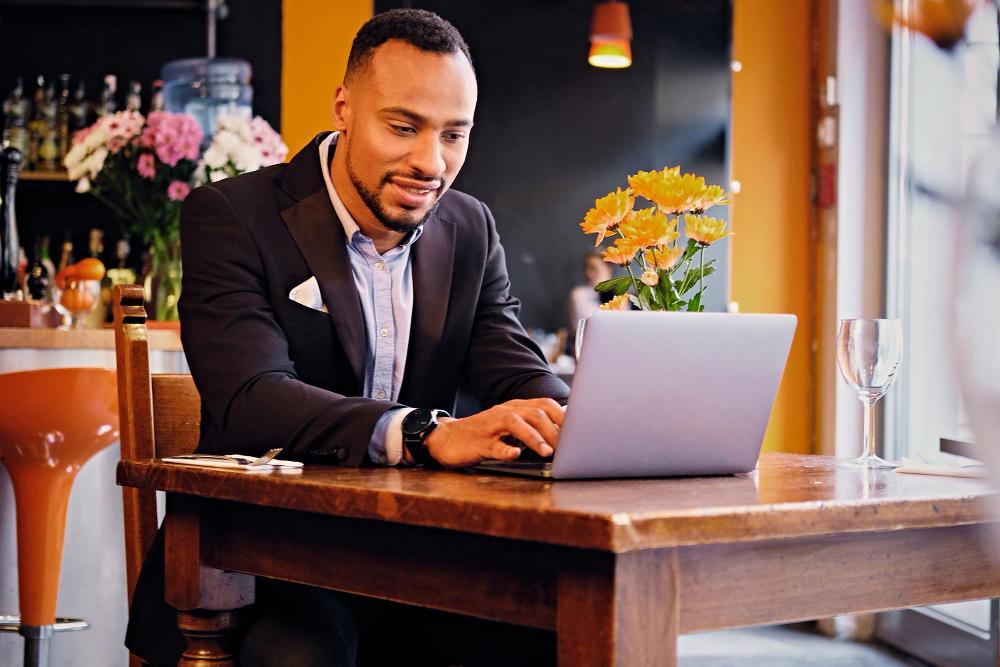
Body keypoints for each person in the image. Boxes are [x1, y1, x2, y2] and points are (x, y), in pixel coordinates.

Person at [126, 9, 568, 666]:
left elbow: (516, 372)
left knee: (561, 634)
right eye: (403, 127)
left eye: (454, 134)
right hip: (260, 562)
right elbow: (252, 397)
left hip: (415, 559)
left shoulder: (469, 227)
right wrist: (423, 431)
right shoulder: (231, 216)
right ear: (343, 108)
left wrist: (574, 419)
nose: (431, 162)